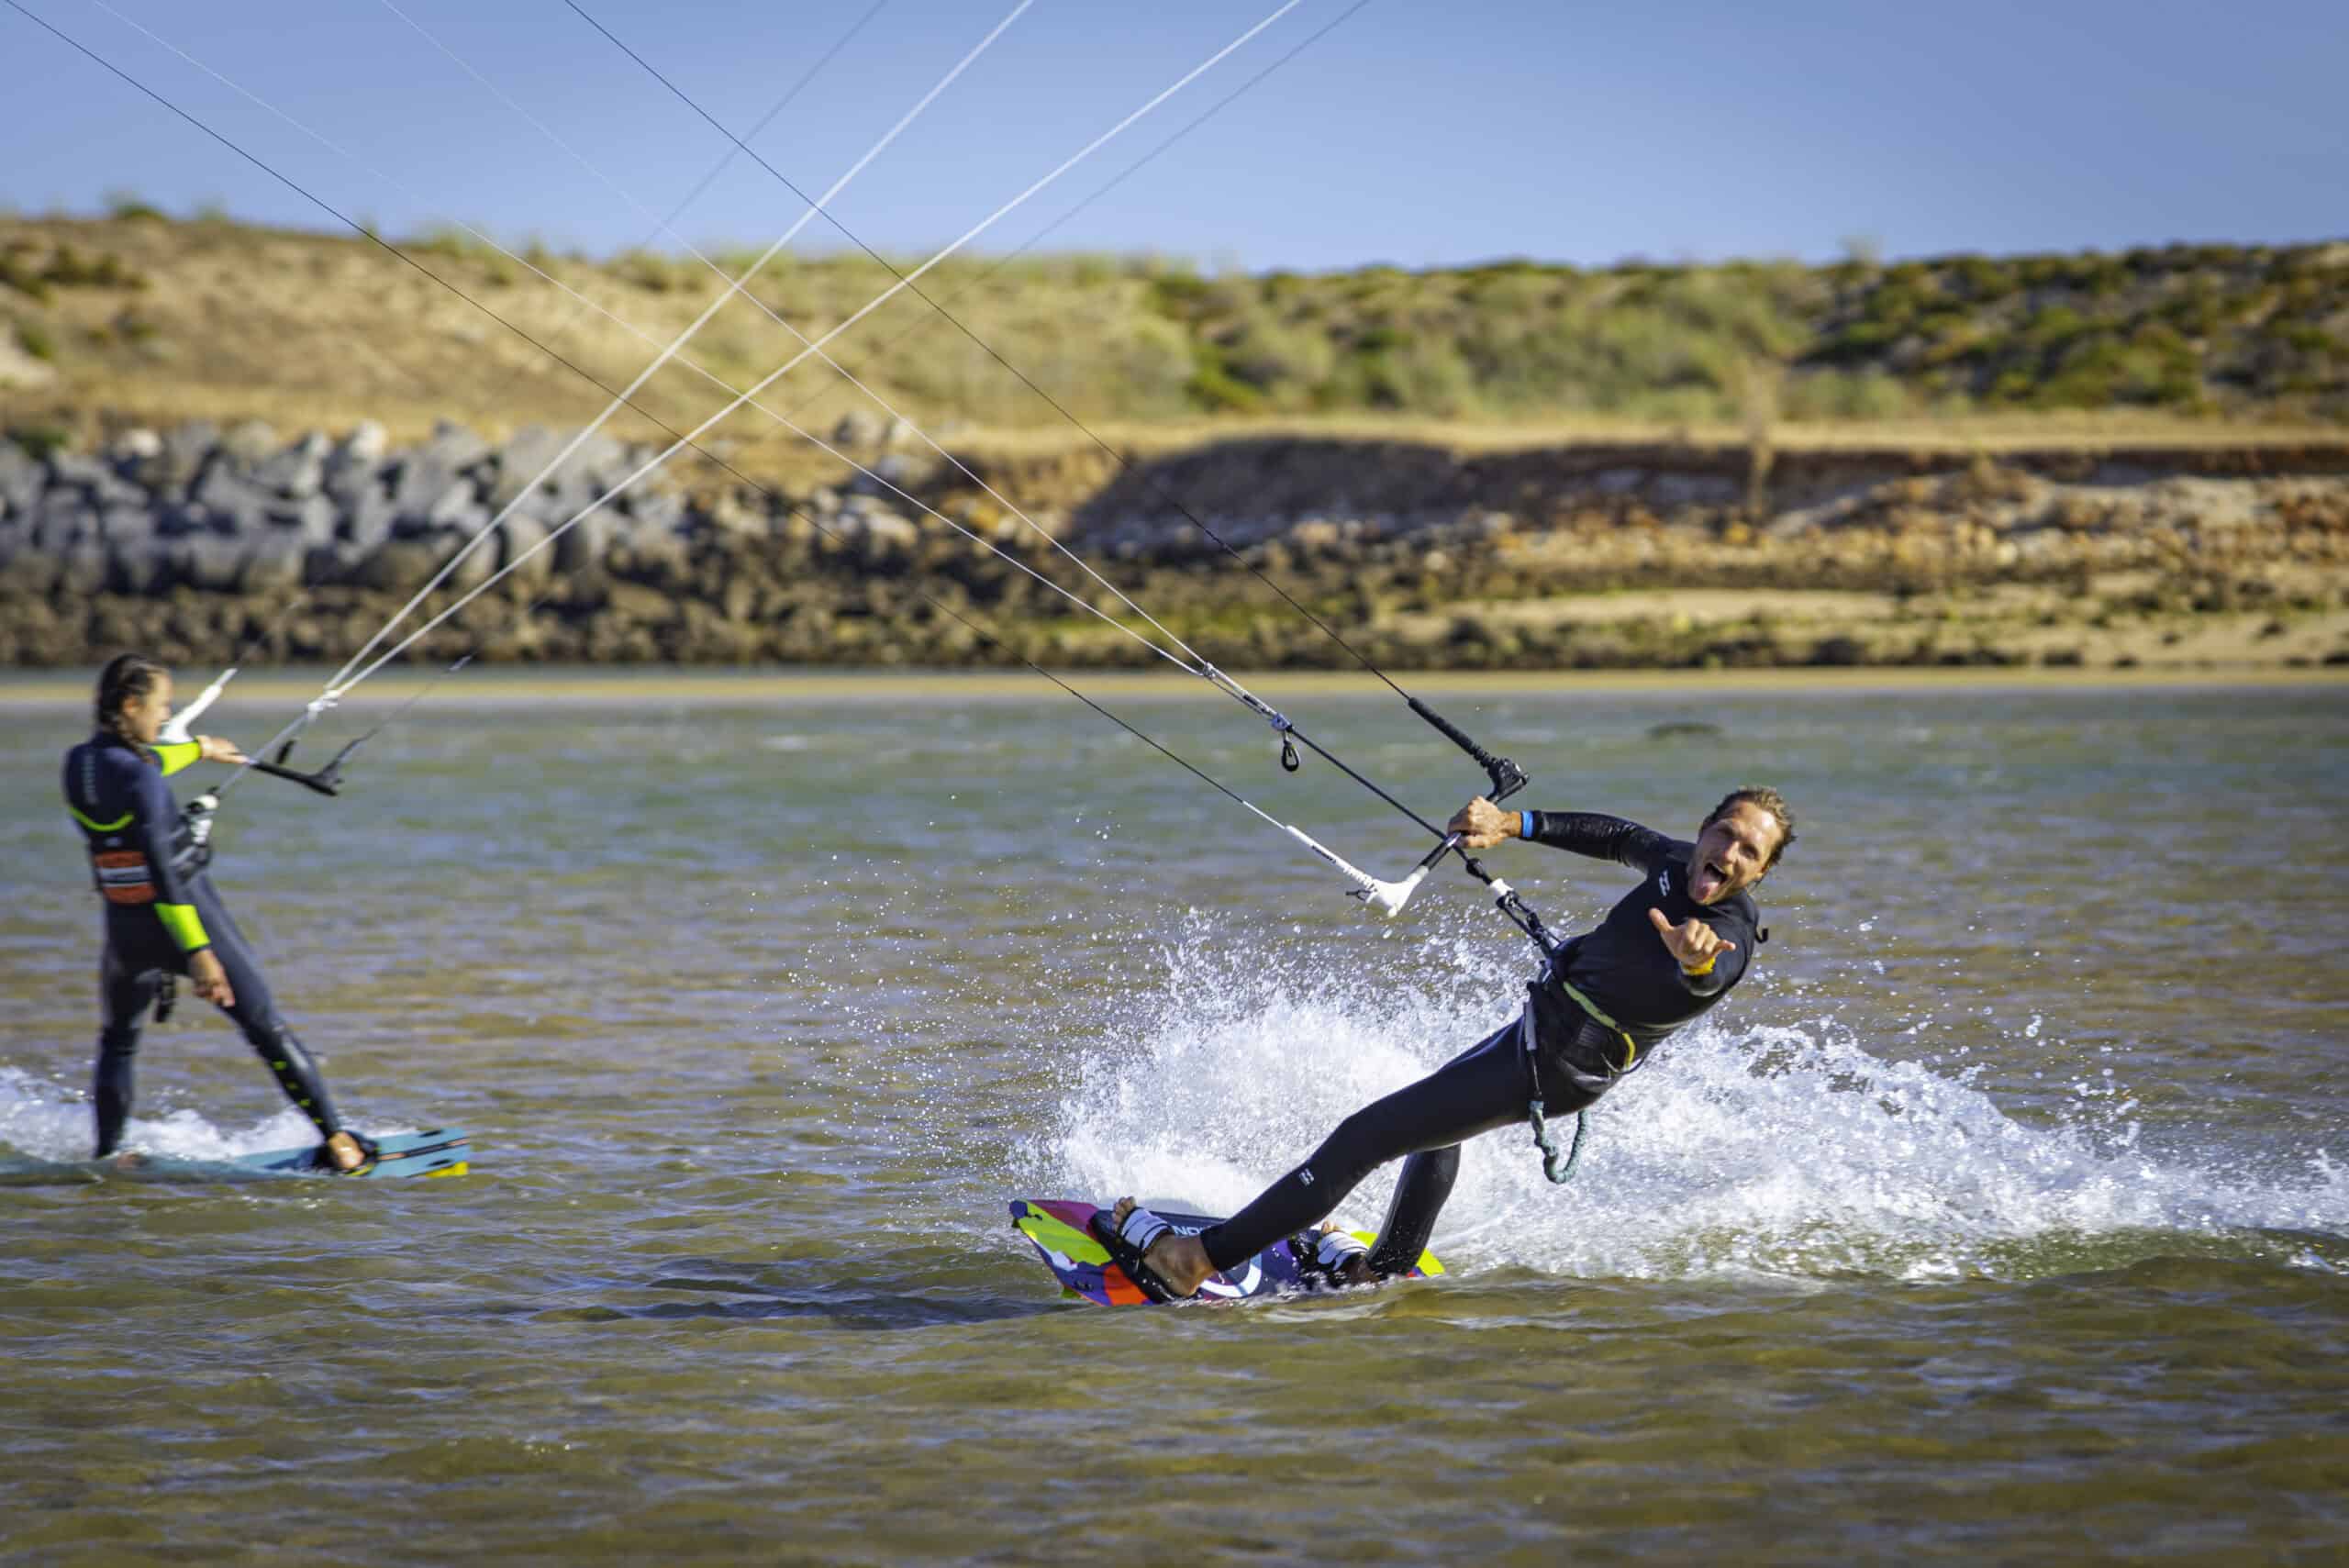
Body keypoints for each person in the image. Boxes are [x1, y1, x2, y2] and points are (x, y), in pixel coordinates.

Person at [1099, 787, 1796, 1297]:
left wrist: (1694, 957)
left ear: (1760, 872)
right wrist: (1511, 824)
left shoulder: (1727, 934)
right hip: (1540, 1033)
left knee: (1364, 1137)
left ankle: (1192, 1261)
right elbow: (1618, 835)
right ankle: (1383, 1267)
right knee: (1436, 1129)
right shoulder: (1677, 863)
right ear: (1705, 827)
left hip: (1557, 1065)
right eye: (1725, 833)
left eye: (1748, 851)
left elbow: (1710, 976)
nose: (1728, 853)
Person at [61, 654, 373, 1172]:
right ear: (132, 704)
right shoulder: (141, 779)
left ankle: (109, 1155)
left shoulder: (81, 763)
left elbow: (144, 764)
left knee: (118, 1042)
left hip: (125, 928)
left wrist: (200, 749)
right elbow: (162, 866)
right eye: (161, 707)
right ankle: (338, 1140)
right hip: (184, 918)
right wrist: (199, 953)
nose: (165, 718)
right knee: (265, 1026)